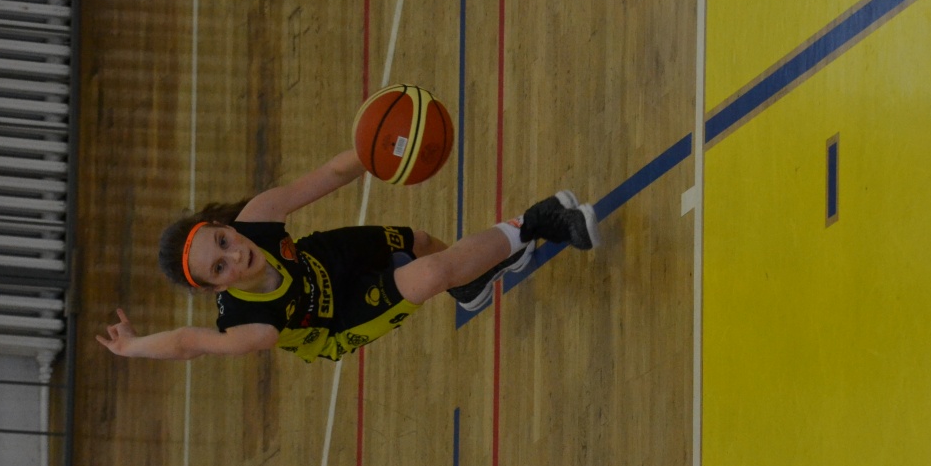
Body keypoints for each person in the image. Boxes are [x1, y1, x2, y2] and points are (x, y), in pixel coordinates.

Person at [96, 148, 599, 364]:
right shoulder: (253, 327)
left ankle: (470, 284)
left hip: (324, 260)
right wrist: (132, 347)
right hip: (336, 318)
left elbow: (330, 175)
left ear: (224, 227)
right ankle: (541, 221)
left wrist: (372, 148)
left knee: (423, 243)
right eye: (219, 267)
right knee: (429, 274)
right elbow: (187, 341)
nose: (235, 255)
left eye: (223, 242)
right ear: (215, 288)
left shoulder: (258, 218)